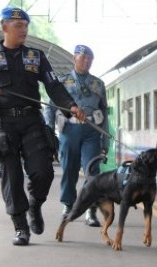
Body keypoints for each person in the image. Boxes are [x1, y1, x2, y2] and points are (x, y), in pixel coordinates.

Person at [0, 7, 85, 246]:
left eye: (26, 26)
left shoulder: (37, 56)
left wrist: (70, 106)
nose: (24, 30)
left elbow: (54, 86)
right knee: (11, 175)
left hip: (31, 122)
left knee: (43, 172)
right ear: (5, 27)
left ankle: (35, 205)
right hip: (2, 124)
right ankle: (20, 227)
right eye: (18, 26)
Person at [44, 45, 109, 227]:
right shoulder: (62, 82)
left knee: (93, 171)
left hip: (91, 131)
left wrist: (105, 138)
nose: (86, 61)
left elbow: (104, 112)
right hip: (69, 131)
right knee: (69, 170)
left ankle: (91, 209)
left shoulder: (98, 84)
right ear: (74, 59)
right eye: (83, 58)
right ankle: (68, 206)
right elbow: (50, 107)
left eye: (90, 59)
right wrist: (49, 131)